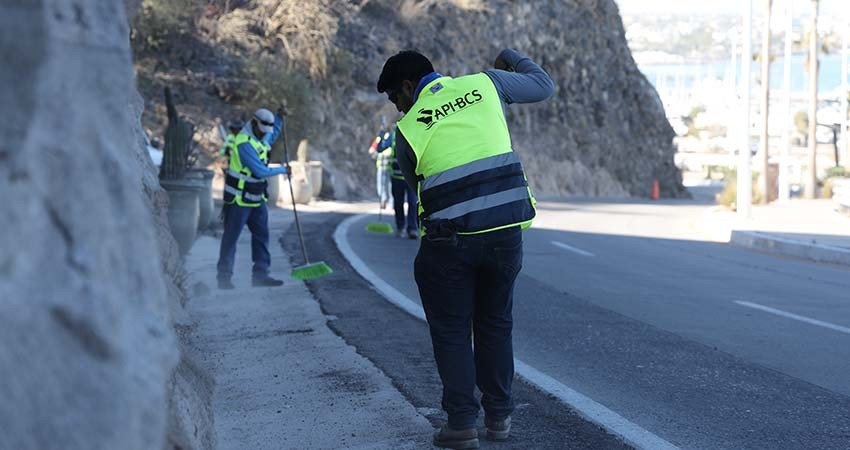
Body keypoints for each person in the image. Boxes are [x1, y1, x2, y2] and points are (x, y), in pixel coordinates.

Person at [376, 49, 553, 449]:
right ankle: (499, 418)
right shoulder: (486, 84)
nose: (397, 107)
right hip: (504, 232)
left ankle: (461, 424)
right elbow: (544, 86)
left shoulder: (408, 131)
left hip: (450, 242)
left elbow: (420, 189)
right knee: (495, 324)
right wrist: (508, 57)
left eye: (394, 97)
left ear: (408, 86)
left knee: (453, 330)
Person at [216, 108, 290, 290]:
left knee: (262, 237)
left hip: (256, 198)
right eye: (262, 130)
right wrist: (283, 169)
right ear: (254, 123)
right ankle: (224, 277)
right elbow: (260, 171)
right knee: (231, 239)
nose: (265, 134)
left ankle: (261, 276)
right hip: (238, 200)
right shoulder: (244, 143)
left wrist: (279, 118)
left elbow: (272, 135)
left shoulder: (261, 137)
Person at [374, 123, 419, 239]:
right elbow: (380, 148)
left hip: (411, 178)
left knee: (413, 203)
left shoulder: (415, 135)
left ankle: (412, 229)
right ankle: (400, 227)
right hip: (396, 177)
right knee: (398, 204)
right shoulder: (393, 136)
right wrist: (381, 136)